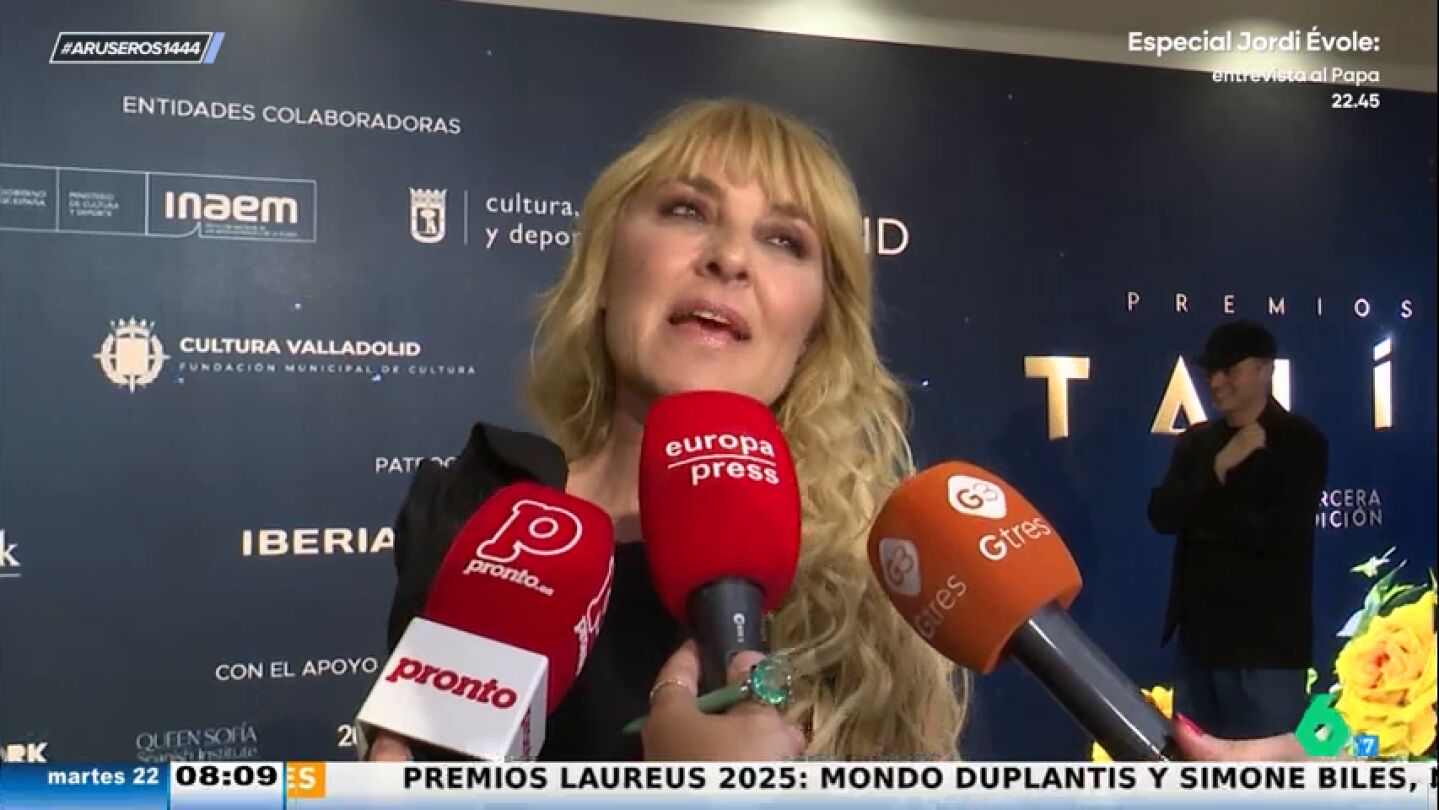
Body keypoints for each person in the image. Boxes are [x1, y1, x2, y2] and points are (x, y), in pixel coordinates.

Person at [365, 99, 1306, 762]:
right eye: (687, 210)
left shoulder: (886, 569)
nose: (728, 258)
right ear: (606, 271)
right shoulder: (482, 510)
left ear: (816, 325)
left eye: (783, 240)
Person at [1148, 320, 1329, 743]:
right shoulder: (1197, 443)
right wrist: (1218, 468)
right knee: (1193, 769)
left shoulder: (1300, 441)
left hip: (1266, 648)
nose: (1216, 382)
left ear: (1265, 369)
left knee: (1269, 770)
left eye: (1229, 370)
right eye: (1211, 371)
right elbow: (1162, 515)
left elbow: (1279, 535)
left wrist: (1202, 516)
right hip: (1198, 645)